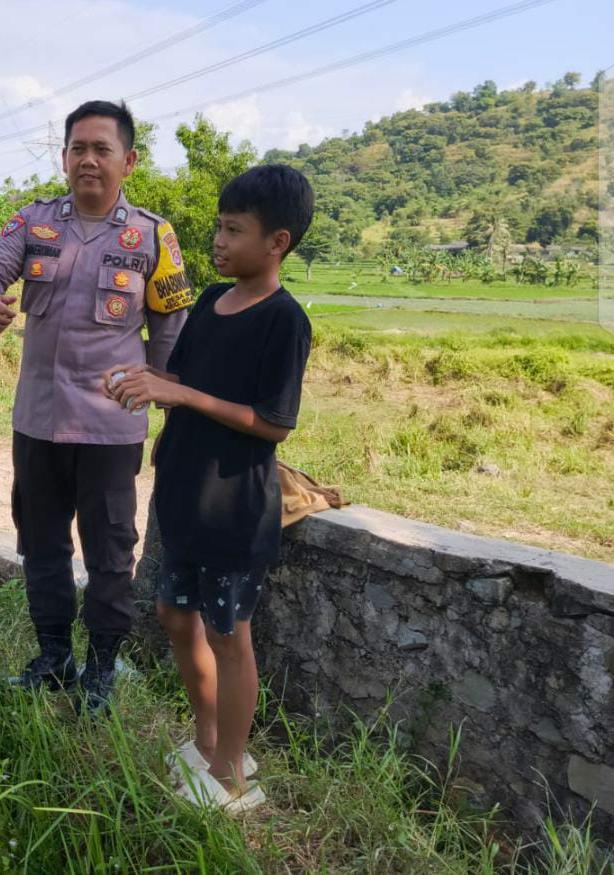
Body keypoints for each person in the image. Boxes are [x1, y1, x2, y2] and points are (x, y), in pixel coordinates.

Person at [104, 163, 314, 812]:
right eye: (219, 227)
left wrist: (182, 395)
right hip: (185, 493)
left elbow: (274, 422)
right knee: (174, 616)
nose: (218, 241)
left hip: (234, 507)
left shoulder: (284, 320)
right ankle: (208, 740)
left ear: (276, 242)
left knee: (229, 636)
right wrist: (148, 388)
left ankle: (230, 776)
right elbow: (182, 384)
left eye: (233, 230)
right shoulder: (210, 305)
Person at [0, 100, 191, 714]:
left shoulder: (153, 236)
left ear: (127, 161)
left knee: (110, 552)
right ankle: (53, 657)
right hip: (38, 420)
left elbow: (170, 331)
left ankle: (102, 668)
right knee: (42, 545)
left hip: (111, 426)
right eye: (78, 148)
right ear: (63, 158)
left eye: (101, 149)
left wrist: (166, 403)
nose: (88, 159)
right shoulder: (31, 221)